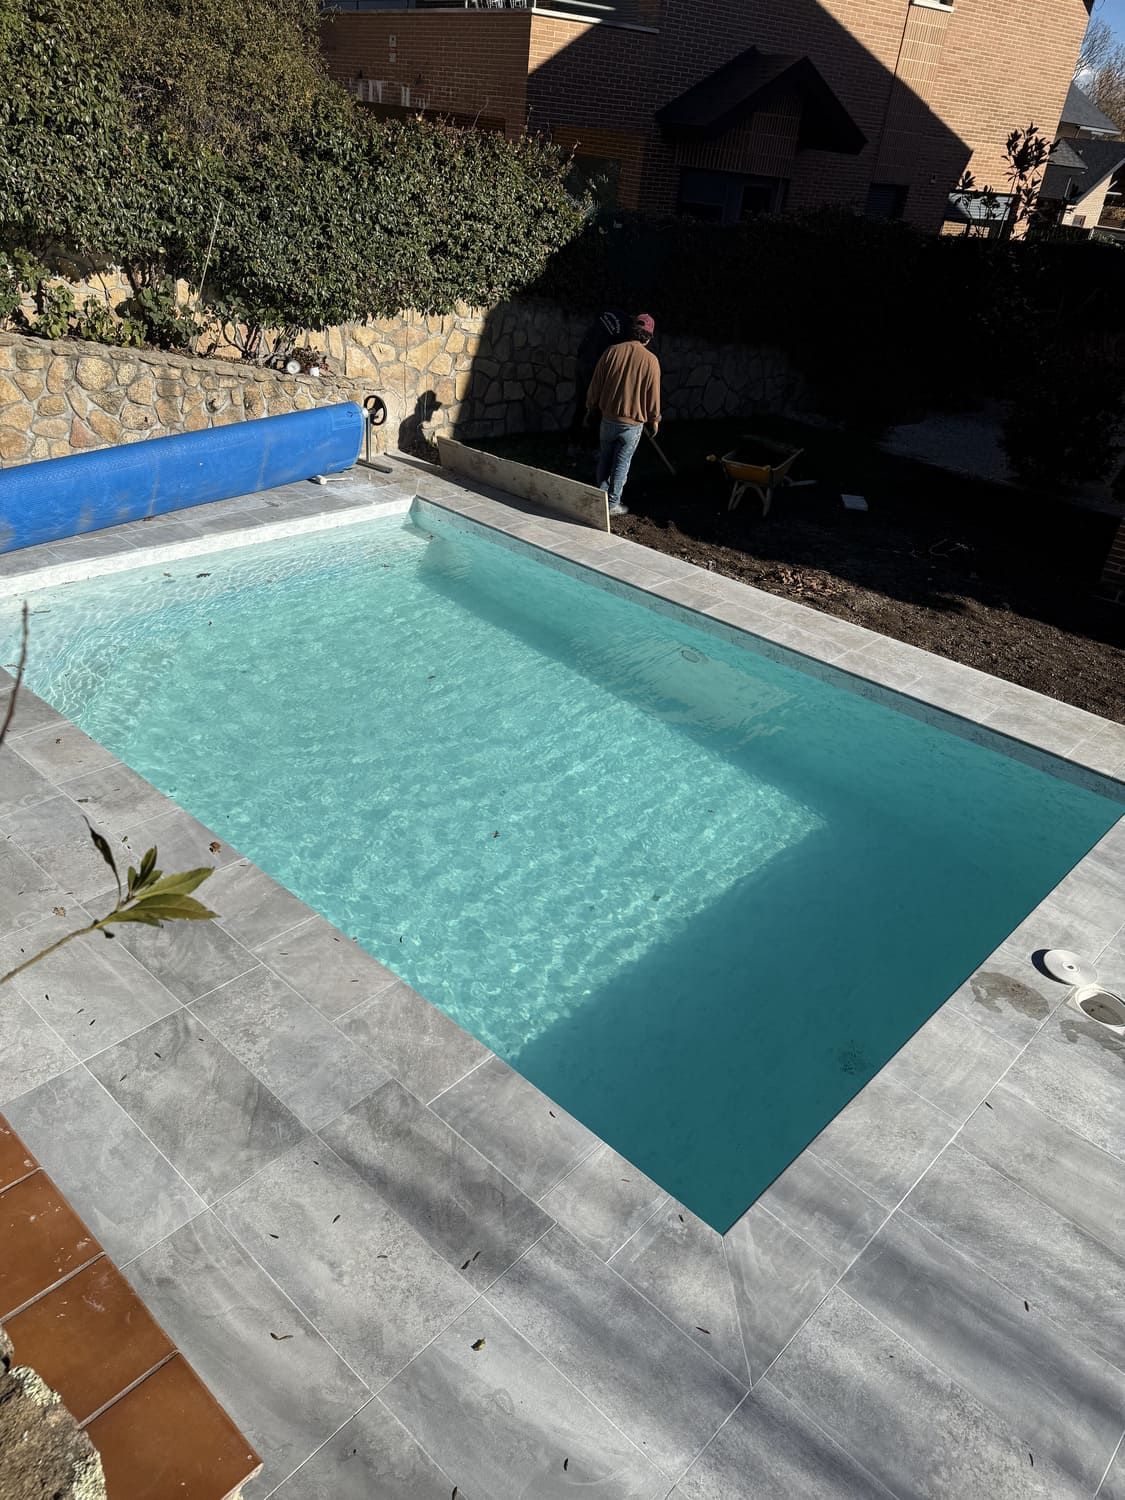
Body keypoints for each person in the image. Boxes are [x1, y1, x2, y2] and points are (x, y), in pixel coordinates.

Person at [585, 313, 661, 517]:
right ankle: (612, 504)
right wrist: (654, 420)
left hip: (608, 419)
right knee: (621, 463)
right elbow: (653, 395)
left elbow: (596, 383)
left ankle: (599, 499)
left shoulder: (612, 351)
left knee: (605, 459)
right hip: (632, 425)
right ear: (648, 337)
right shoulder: (651, 361)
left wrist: (591, 406)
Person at [568, 309, 625, 451]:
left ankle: (573, 444)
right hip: (595, 367)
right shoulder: (625, 327)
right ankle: (592, 447)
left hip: (582, 361)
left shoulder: (604, 313)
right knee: (597, 408)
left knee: (581, 405)